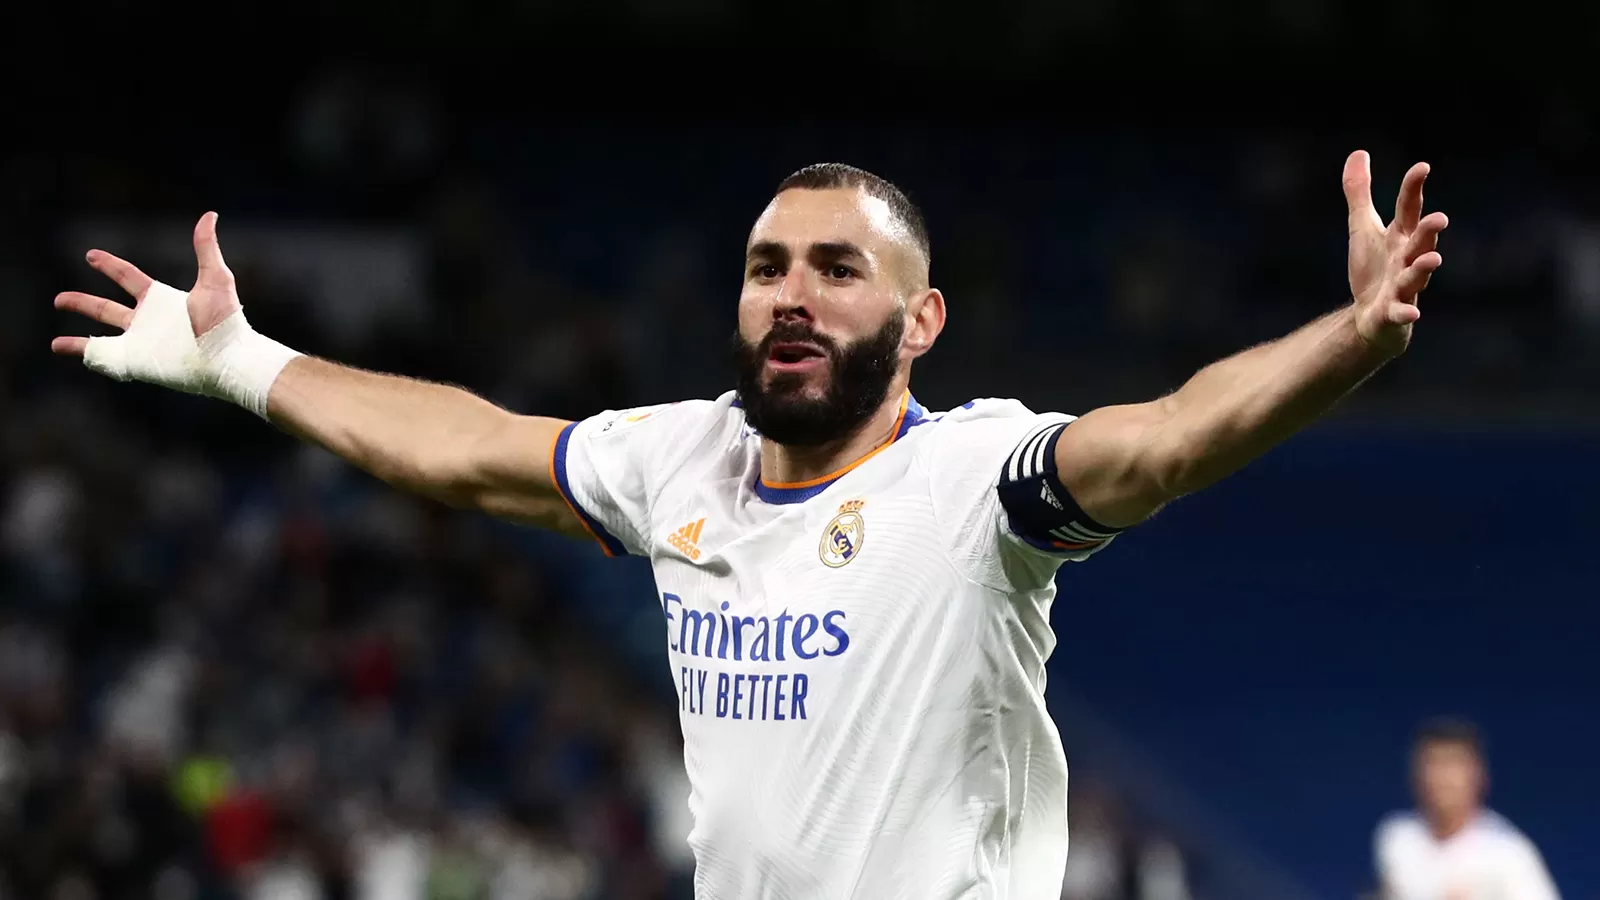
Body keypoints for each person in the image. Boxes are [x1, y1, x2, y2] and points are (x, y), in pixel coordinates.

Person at [51, 153, 1446, 900]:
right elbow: (467, 450)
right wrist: (243, 362)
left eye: (838, 269)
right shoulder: (683, 461)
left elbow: (1172, 437)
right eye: (768, 265)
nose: (793, 292)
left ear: (921, 322)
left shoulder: (977, 482)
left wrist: (1350, 338)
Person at [1374, 717, 1559, 900]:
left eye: (1452, 765)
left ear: (1478, 775)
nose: (1442, 779)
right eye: (1433, 764)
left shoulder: (1509, 853)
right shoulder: (1396, 836)